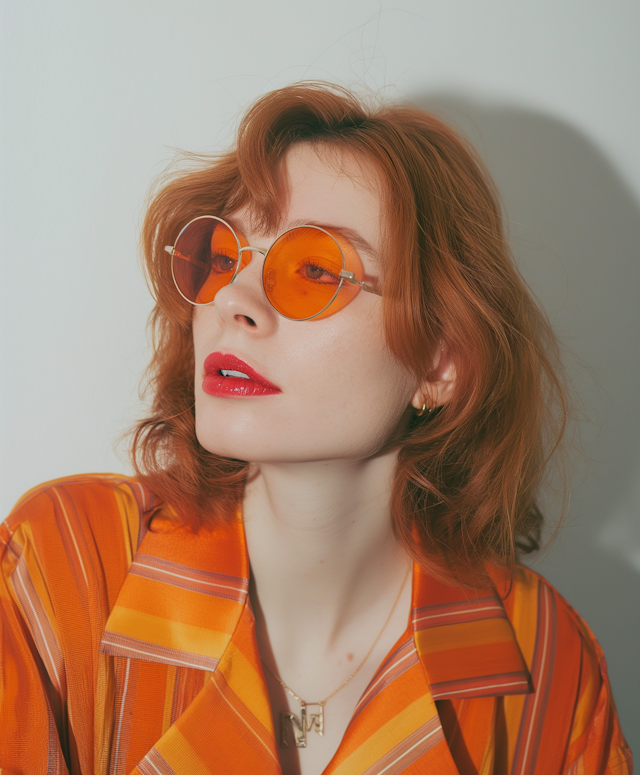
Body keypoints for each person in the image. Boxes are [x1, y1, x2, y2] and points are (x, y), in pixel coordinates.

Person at [0, 83, 632, 775]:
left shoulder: (547, 663)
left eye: (313, 270)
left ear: (440, 363)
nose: (232, 300)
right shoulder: (62, 566)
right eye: (223, 258)